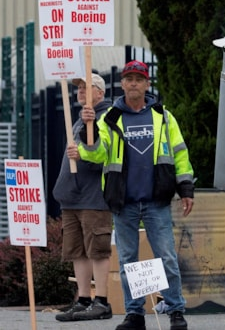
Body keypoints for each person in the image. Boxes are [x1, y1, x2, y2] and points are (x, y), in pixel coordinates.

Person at [67, 60, 194, 330]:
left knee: (167, 258)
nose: (134, 83)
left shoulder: (162, 115)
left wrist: (186, 189)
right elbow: (97, 155)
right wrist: (88, 137)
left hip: (156, 200)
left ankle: (176, 312)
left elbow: (180, 153)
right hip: (123, 202)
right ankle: (134, 314)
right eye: (129, 79)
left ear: (147, 84)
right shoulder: (110, 117)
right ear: (122, 84)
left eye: (139, 78)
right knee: (127, 262)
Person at [54, 73, 114, 322]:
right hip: (73, 197)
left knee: (96, 249)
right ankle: (83, 299)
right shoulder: (79, 119)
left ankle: (101, 300)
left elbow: (103, 152)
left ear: (100, 93)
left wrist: (83, 150)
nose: (80, 91)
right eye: (78, 88)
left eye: (87, 87)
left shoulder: (106, 118)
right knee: (77, 250)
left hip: (93, 197)